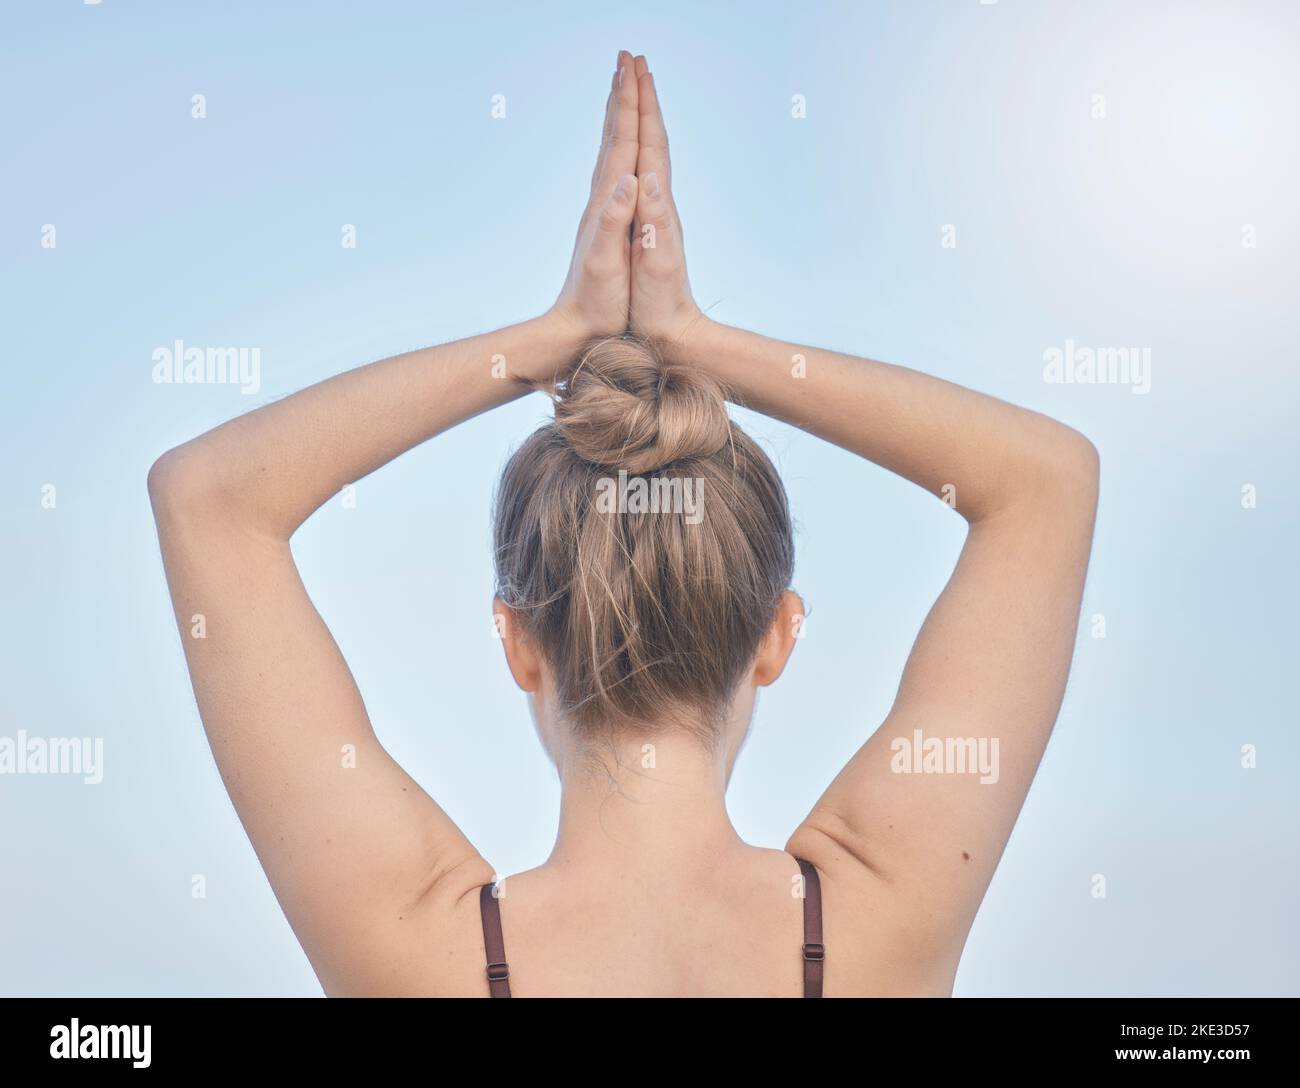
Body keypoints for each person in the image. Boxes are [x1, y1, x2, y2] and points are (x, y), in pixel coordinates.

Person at [148, 51, 1098, 997]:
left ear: (517, 642)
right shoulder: (879, 918)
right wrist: (696, 339)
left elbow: (213, 498)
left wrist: (551, 340)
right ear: (777, 636)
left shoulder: (421, 951)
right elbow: (1046, 481)